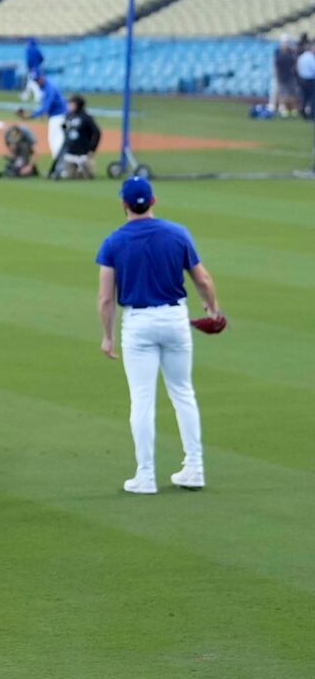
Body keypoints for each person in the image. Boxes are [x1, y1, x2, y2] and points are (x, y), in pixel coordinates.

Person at [96, 177, 220, 494]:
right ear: (154, 200)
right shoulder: (177, 233)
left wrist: (107, 336)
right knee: (182, 393)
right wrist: (211, 307)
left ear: (123, 204)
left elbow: (106, 299)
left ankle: (146, 475)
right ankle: (195, 468)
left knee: (142, 400)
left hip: (138, 324)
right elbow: (202, 279)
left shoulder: (113, 242)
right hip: (175, 318)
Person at [17, 70, 67, 160]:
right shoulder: (45, 87)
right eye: (35, 80)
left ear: (42, 77)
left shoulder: (49, 88)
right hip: (58, 116)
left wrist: (30, 116)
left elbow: (45, 107)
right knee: (57, 140)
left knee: (56, 141)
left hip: (59, 117)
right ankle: (61, 165)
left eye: (37, 79)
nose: (36, 82)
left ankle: (60, 165)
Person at [53, 94, 101, 179]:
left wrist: (92, 148)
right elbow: (65, 128)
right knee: (70, 176)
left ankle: (83, 169)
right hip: (70, 153)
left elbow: (97, 132)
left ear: (78, 105)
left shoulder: (86, 117)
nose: (69, 106)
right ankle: (77, 170)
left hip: (84, 153)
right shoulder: (68, 116)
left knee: (87, 176)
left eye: (71, 104)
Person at [272, 34, 299, 117]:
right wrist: (276, 75)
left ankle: (294, 110)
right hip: (281, 75)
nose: (285, 44)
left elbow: (296, 63)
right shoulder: (277, 52)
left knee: (292, 93)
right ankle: (283, 109)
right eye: (284, 42)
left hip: (290, 75)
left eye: (286, 42)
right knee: (282, 93)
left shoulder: (292, 52)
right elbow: (275, 65)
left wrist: (296, 72)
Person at [21, 36, 44, 103]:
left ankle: (38, 96)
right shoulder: (37, 49)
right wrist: (37, 64)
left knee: (34, 82)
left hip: (32, 69)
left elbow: (29, 60)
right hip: (37, 68)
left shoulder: (28, 49)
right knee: (31, 81)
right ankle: (25, 95)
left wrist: (29, 67)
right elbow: (42, 59)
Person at [297, 38, 315, 120]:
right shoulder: (311, 58)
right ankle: (312, 113)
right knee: (311, 97)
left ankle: (303, 113)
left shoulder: (301, 57)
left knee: (304, 97)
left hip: (302, 79)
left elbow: (298, 68)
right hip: (310, 79)